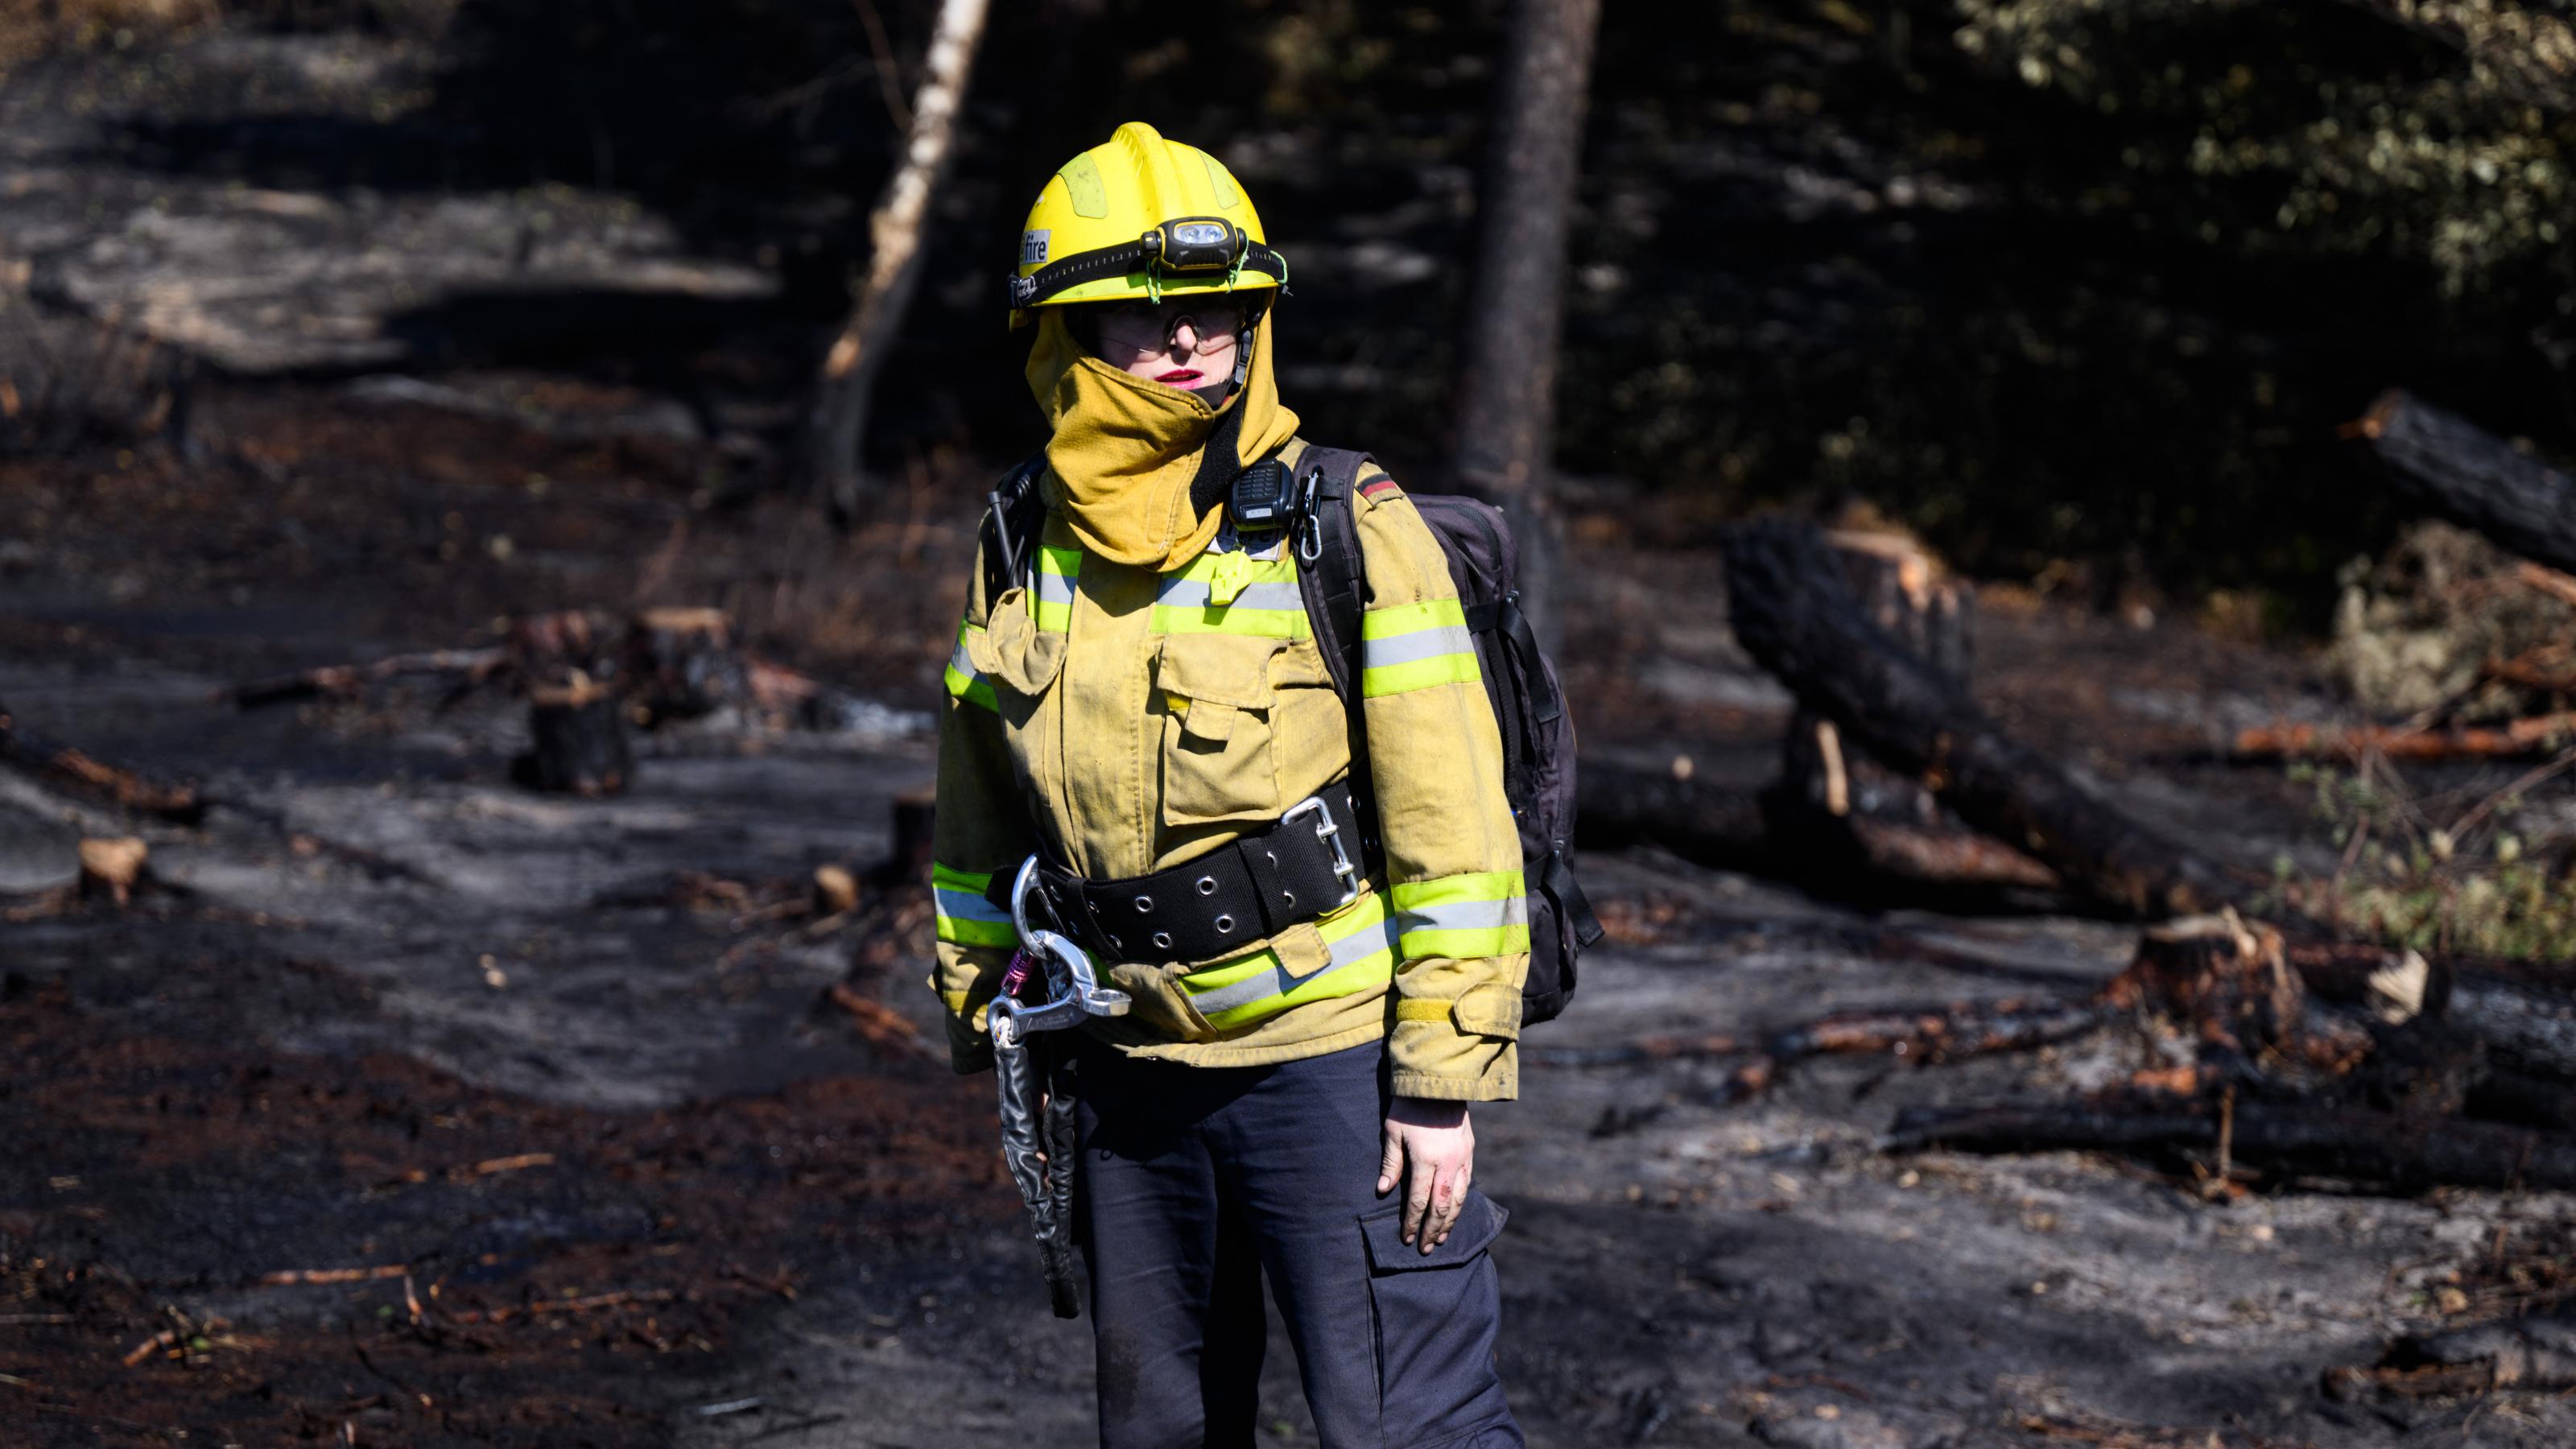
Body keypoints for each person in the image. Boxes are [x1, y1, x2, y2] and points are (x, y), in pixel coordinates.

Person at [930, 121, 1529, 1448]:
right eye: (1148, 322)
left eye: (1218, 311)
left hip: (1332, 1072)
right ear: (1065, 340)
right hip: (1128, 1072)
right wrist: (981, 997)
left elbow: (1459, 829)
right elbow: (976, 796)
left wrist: (1441, 1084)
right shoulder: (1022, 539)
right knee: (1163, 1434)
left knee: (1404, 1430)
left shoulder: (1343, 523)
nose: (1192, 344)